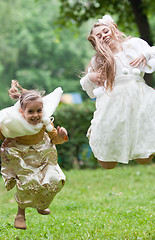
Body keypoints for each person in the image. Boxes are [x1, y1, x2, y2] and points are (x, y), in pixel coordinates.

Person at [80, 15, 155, 170]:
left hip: (139, 97)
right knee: (107, 163)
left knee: (144, 157)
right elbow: (91, 92)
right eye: (99, 36)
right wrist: (89, 77)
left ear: (113, 29)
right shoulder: (99, 60)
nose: (104, 36)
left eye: (106, 31)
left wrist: (145, 55)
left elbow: (152, 52)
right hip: (113, 102)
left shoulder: (133, 45)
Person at [0, 80, 68, 229]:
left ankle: (42, 203)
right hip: (21, 156)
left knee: (55, 179)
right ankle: (20, 214)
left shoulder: (44, 122)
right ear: (21, 112)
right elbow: (2, 133)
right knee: (28, 183)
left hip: (43, 154)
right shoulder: (12, 123)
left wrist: (61, 136)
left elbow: (55, 139)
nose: (35, 115)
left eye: (39, 110)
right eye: (30, 111)